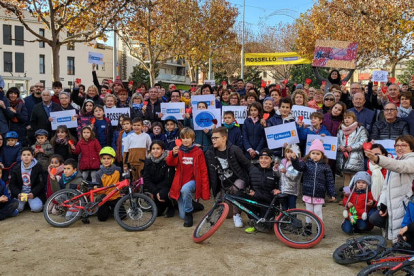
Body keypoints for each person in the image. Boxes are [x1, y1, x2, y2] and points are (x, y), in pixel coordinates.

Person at [366, 135, 414, 241]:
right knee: (374, 218)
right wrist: (383, 204)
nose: (399, 148)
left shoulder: (411, 160)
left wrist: (377, 159)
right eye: (397, 145)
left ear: (411, 148)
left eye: (404, 145)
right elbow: (385, 187)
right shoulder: (393, 162)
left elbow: (400, 166)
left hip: (407, 204)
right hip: (393, 204)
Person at [206, 127, 255, 228]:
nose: (213, 140)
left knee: (237, 188)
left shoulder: (234, 150)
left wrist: (254, 180)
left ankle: (237, 215)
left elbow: (248, 165)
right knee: (226, 214)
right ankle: (233, 210)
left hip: (238, 180)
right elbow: (210, 173)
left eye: (216, 138)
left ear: (224, 138)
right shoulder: (209, 153)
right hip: (224, 184)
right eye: (212, 138)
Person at [166, 128, 210, 227]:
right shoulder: (178, 150)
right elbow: (170, 163)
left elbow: (203, 171)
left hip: (193, 181)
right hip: (180, 182)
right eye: (183, 138)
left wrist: (205, 189)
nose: (185, 140)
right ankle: (194, 205)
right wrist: (172, 154)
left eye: (188, 138)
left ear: (193, 139)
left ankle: (189, 213)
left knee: (185, 190)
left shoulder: (198, 152)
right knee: (182, 215)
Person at [291, 139, 336, 233]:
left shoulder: (325, 167)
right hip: (307, 192)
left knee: (318, 211)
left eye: (318, 153)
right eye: (313, 153)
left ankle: (320, 229)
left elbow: (329, 181)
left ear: (322, 155)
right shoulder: (306, 163)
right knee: (308, 211)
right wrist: (294, 160)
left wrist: (332, 193)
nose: (315, 155)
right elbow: (298, 167)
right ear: (309, 154)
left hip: (319, 193)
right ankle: (308, 229)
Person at [242, 148, 281, 234]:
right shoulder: (252, 171)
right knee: (240, 196)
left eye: (266, 158)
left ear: (271, 160)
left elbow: (277, 191)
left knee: (266, 227)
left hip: (267, 203)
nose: (263, 160)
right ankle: (254, 221)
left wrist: (278, 190)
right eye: (261, 158)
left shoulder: (275, 173)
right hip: (255, 201)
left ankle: (264, 219)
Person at [337, 111, 368, 188]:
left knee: (355, 178)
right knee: (346, 178)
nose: (346, 120)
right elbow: (336, 142)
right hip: (344, 158)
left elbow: (364, 141)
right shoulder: (340, 130)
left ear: (354, 119)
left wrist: (352, 147)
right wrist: (339, 146)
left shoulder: (360, 129)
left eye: (349, 118)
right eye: (345, 118)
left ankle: (354, 197)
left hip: (355, 158)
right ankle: (346, 197)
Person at [143, 141, 175, 217]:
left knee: (162, 194)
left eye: (158, 148)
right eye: (153, 149)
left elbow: (169, 179)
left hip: (165, 186)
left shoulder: (167, 161)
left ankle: (171, 206)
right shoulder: (148, 162)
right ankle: (161, 206)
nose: (155, 151)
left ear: (163, 150)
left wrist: (158, 191)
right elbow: (146, 179)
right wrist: (155, 192)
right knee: (157, 212)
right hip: (154, 186)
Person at [9, 147, 46, 213]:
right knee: (18, 208)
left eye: (28, 155)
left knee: (36, 208)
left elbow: (42, 183)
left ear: (32, 157)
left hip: (33, 193)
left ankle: (30, 203)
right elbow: (12, 184)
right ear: (21, 157)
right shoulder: (16, 168)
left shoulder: (38, 167)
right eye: (24, 155)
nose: (26, 157)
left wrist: (33, 193)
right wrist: (18, 194)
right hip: (21, 193)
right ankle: (25, 204)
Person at [95, 147, 123, 222]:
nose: (106, 160)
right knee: (102, 218)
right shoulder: (98, 173)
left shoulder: (118, 170)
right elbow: (99, 187)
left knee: (122, 216)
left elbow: (121, 182)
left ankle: (112, 209)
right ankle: (108, 209)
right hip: (105, 197)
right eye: (104, 158)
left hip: (116, 196)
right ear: (101, 160)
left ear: (113, 159)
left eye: (108, 158)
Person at [277, 144, 302, 210]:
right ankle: (284, 220)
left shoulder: (298, 164)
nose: (289, 154)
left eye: (291, 152)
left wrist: (286, 172)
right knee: (284, 208)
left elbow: (295, 177)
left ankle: (293, 220)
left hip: (292, 191)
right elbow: (278, 174)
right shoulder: (283, 162)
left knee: (292, 208)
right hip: (283, 189)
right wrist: (276, 168)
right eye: (288, 152)